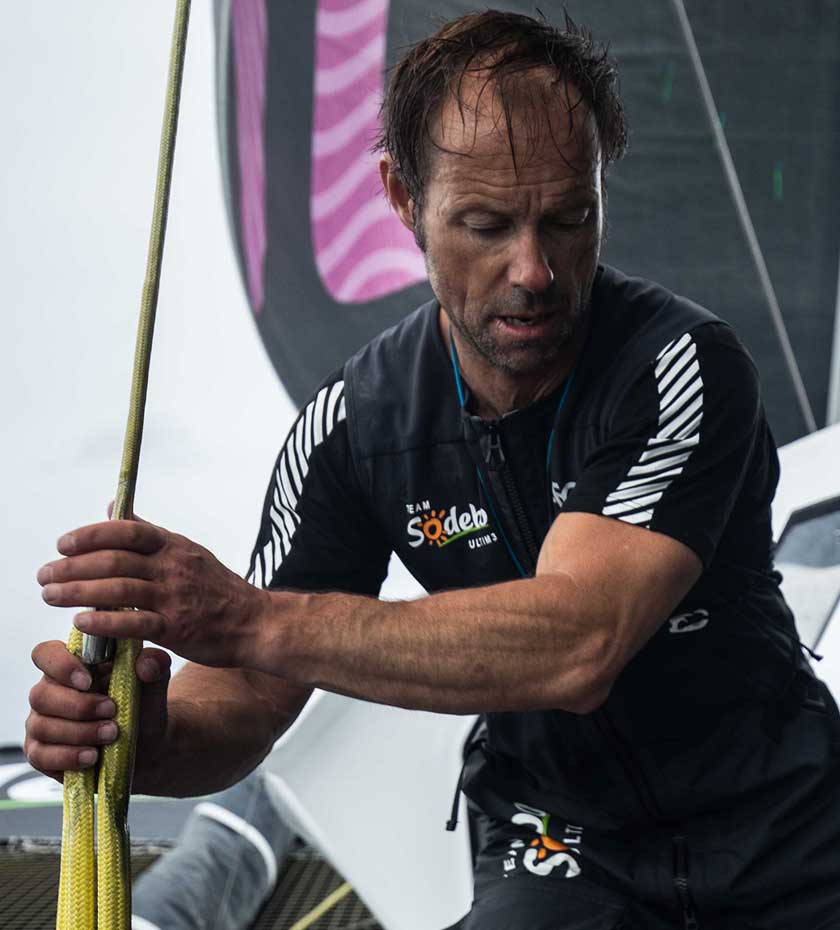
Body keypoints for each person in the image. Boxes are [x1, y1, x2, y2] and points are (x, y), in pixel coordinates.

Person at [24, 11, 840, 929]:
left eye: (569, 218)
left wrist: (246, 617)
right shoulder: (351, 426)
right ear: (401, 197)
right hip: (558, 841)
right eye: (485, 224)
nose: (533, 269)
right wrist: (150, 739)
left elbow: (580, 643)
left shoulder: (681, 364)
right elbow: (249, 696)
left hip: (784, 828)